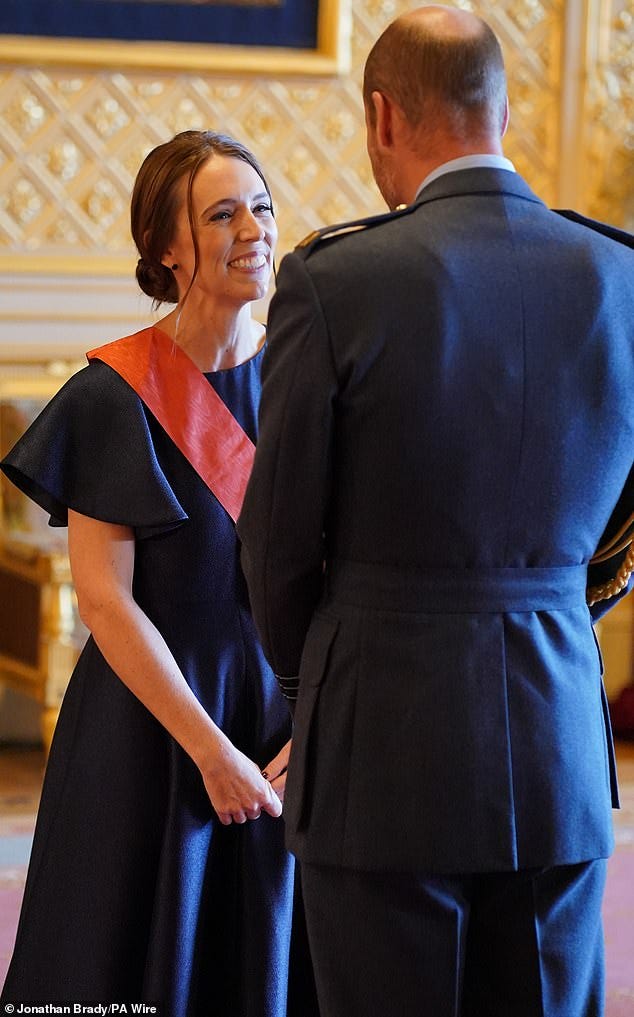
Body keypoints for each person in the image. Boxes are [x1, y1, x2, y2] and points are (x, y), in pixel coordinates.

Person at [237, 7, 634, 1017]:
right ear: (503, 110)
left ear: (381, 116)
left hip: (380, 738)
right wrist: (556, 606)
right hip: (556, 741)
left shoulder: (337, 282)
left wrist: (312, 678)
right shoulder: (618, 275)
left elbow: (277, 541)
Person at [1, 130, 314, 1016]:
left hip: (283, 729)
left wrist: (322, 721)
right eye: (222, 213)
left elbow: (351, 576)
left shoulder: (312, 381)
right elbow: (103, 596)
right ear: (166, 247)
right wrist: (211, 751)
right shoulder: (114, 394)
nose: (252, 228)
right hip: (150, 727)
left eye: (261, 206)